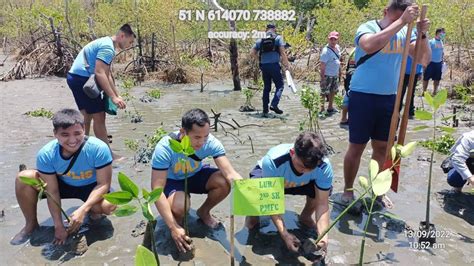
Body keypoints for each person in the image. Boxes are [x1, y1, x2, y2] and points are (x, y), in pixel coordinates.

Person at [341, 0, 431, 207]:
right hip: (363, 95)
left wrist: (422, 34)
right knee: (357, 146)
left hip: (390, 97)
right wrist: (401, 21)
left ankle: (377, 190)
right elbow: (369, 45)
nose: (399, 20)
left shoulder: (405, 34)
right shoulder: (368, 27)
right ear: (386, 11)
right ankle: (347, 190)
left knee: (383, 147)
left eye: (404, 17)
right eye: (396, 15)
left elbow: (423, 60)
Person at [11, 109, 115, 245]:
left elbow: (103, 184)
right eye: (65, 135)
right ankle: (31, 225)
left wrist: (83, 210)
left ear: (84, 129)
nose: (72, 140)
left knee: (108, 206)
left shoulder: (98, 148)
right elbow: (52, 191)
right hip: (62, 185)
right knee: (23, 178)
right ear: (55, 134)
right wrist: (58, 226)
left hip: (91, 186)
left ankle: (93, 213)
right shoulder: (47, 154)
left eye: (77, 133)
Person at [151, 108, 242, 253]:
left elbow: (231, 174)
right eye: (197, 137)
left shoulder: (211, 142)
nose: (202, 142)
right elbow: (156, 191)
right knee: (180, 207)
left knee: (223, 182)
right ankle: (178, 228)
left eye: (205, 136)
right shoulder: (165, 147)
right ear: (183, 132)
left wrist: (251, 191)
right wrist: (173, 227)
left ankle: (204, 212)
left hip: (194, 174)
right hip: (173, 180)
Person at [245, 132, 333, 254]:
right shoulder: (273, 162)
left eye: (311, 168)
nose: (306, 171)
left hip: (302, 183)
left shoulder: (323, 166)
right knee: (253, 197)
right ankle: (252, 221)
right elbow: (271, 202)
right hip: (275, 178)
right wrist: (284, 234)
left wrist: (323, 236)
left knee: (323, 192)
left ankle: (305, 217)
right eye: (302, 166)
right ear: (293, 153)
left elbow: (322, 204)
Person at [67, 24, 135, 160]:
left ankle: (80, 149)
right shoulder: (108, 48)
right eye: (130, 41)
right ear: (122, 36)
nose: (129, 46)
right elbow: (99, 73)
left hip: (75, 77)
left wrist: (116, 94)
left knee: (86, 115)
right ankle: (107, 155)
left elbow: (107, 74)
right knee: (99, 116)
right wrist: (112, 97)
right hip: (83, 80)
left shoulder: (106, 43)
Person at [251, 24, 291, 116]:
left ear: (266, 29)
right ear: (274, 29)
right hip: (274, 65)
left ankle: (265, 110)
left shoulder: (260, 39)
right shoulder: (278, 38)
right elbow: (282, 52)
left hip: (264, 66)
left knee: (267, 88)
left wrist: (260, 61)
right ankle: (274, 104)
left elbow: (252, 53)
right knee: (280, 85)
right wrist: (287, 64)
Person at [320, 31, 342, 115]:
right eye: (331, 39)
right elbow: (322, 65)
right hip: (327, 75)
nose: (333, 41)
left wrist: (340, 72)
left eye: (335, 39)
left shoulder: (338, 47)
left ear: (337, 40)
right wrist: (322, 79)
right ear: (328, 39)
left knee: (333, 91)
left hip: (335, 74)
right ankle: (321, 109)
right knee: (323, 92)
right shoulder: (325, 51)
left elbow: (338, 60)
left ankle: (330, 107)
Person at [422, 28, 445, 95]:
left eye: (443, 33)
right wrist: (425, 62)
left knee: (437, 79)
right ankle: (424, 92)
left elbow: (442, 52)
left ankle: (434, 92)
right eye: (441, 33)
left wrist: (442, 61)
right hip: (430, 62)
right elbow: (425, 52)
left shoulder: (442, 42)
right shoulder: (431, 41)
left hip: (439, 63)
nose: (443, 35)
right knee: (426, 78)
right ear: (437, 33)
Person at [340, 48, 356, 126]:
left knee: (347, 96)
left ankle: (343, 118)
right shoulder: (360, 51)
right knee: (352, 99)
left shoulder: (353, 51)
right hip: (355, 77)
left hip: (349, 76)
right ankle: (350, 119)